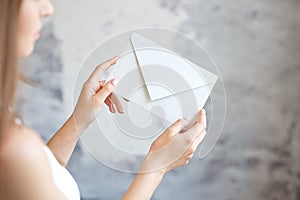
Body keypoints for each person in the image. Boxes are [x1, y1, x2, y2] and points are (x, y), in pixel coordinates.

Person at [0, 0, 207, 199]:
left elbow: (39, 181)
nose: (48, 9)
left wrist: (79, 120)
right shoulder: (13, 146)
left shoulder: (8, 124)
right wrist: (156, 168)